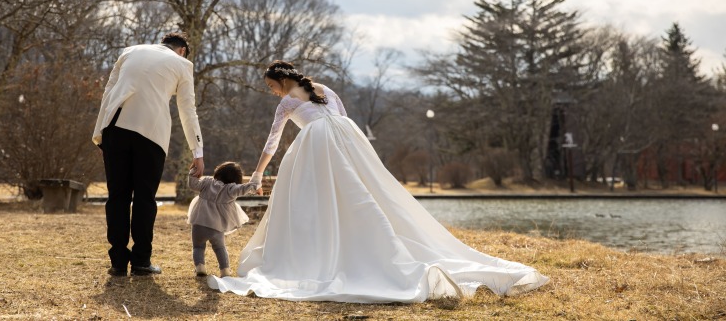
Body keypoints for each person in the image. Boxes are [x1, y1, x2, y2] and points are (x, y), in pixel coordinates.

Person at [207, 60, 549, 302]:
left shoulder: (286, 103)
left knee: (317, 201)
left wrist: (257, 173)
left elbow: (272, 141)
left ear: (281, 82)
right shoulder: (323, 89)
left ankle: (330, 248)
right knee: (362, 193)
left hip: (319, 147)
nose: (271, 93)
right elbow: (341, 117)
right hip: (346, 140)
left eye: (271, 86)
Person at [92, 32, 205, 277]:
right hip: (150, 134)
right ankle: (141, 261)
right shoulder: (183, 65)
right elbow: (187, 109)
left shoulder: (129, 51)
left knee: (118, 196)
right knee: (145, 198)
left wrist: (99, 132)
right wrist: (198, 151)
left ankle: (118, 262)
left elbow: (109, 92)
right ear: (182, 50)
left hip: (114, 128)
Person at [187, 161, 262, 278]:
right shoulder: (230, 190)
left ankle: (200, 267)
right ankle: (225, 270)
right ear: (236, 179)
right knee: (220, 248)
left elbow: (193, 184)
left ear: (218, 172)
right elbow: (243, 188)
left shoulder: (207, 182)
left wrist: (193, 171)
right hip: (217, 227)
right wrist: (255, 187)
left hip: (199, 223)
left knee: (198, 247)